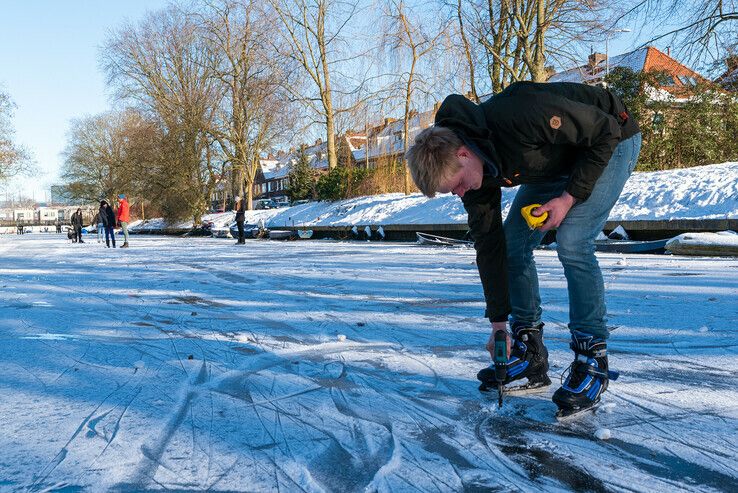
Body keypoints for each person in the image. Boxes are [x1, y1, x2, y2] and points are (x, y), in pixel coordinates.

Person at [405, 81, 641, 416]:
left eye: (456, 185)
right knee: (513, 245)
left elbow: (603, 132)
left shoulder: (520, 114)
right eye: (452, 192)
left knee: (573, 241)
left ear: (463, 153)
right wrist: (499, 324)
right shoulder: (474, 174)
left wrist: (568, 197)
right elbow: (490, 246)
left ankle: (593, 360)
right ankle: (530, 353)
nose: (459, 194)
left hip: (610, 139)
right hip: (554, 160)